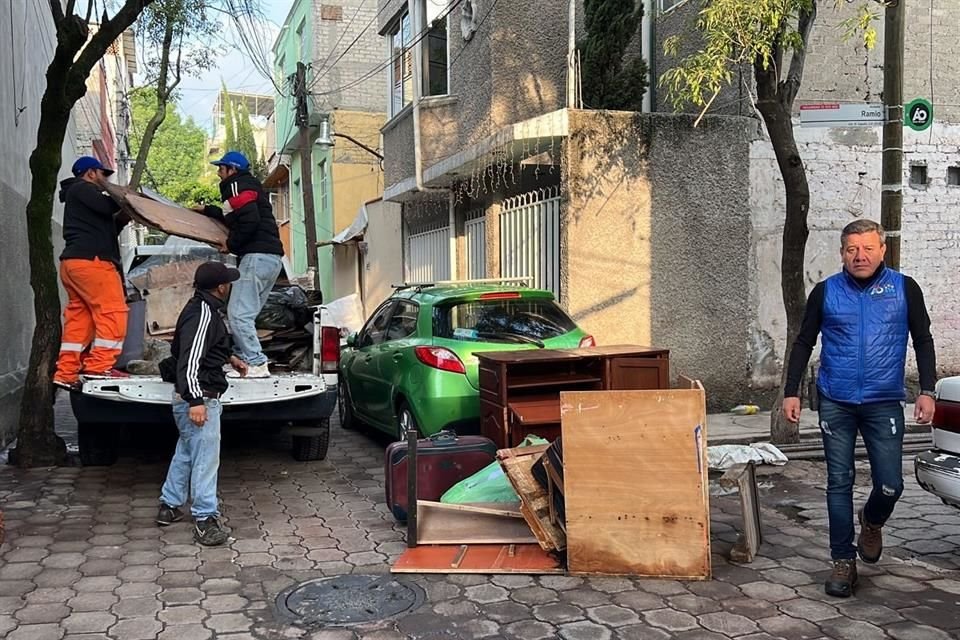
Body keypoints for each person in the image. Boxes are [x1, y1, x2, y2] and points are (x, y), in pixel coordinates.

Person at [783, 219, 936, 598]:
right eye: (852, 249)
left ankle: (871, 521)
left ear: (883, 250)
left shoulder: (904, 289)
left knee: (890, 484)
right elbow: (804, 342)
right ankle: (842, 561)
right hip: (836, 400)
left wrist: (927, 390)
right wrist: (791, 392)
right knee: (839, 481)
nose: (860, 256)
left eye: (868, 248)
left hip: (884, 401)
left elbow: (923, 339)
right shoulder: (826, 292)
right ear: (842, 253)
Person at [156, 261, 248, 546]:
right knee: (207, 459)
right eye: (228, 283)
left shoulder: (201, 308)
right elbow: (189, 362)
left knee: (186, 452)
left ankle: (169, 505)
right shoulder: (203, 314)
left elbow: (202, 348)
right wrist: (196, 400)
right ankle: (204, 519)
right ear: (221, 287)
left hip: (192, 397)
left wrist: (228, 357)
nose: (230, 286)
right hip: (200, 398)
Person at [197, 151, 284, 378]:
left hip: (255, 256)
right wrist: (207, 211)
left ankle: (256, 362)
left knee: (238, 315)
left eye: (221, 168)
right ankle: (244, 360)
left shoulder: (236, 184)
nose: (218, 173)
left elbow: (249, 219)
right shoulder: (249, 187)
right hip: (271, 259)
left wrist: (230, 243)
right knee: (246, 314)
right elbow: (235, 215)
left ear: (232, 169)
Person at [53, 156, 131, 392]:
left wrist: (123, 220)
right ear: (90, 173)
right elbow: (109, 206)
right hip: (93, 263)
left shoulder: (78, 197)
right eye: (103, 175)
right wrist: (126, 197)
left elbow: (107, 227)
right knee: (113, 312)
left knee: (80, 319)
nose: (105, 180)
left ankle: (66, 373)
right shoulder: (83, 189)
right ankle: (99, 367)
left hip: (74, 264)